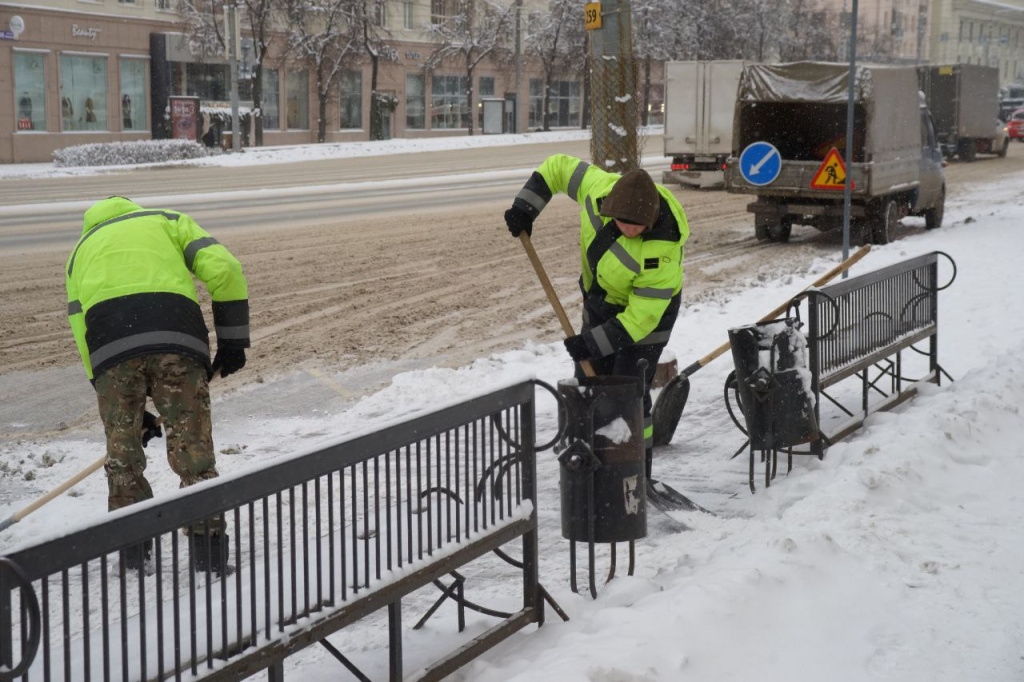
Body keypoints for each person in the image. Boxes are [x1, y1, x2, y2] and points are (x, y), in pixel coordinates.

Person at [65, 196, 250, 574]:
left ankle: (134, 556)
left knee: (123, 459)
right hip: (177, 341)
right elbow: (225, 267)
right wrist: (232, 341)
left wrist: (110, 392)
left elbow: (80, 328)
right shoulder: (167, 220)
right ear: (132, 209)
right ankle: (209, 556)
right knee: (194, 451)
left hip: (110, 354)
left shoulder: (80, 251)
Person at [504, 155, 689, 492]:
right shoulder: (599, 189)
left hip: (649, 317)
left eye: (636, 226)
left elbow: (641, 318)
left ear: (650, 220)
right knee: (587, 384)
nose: (629, 229)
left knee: (628, 390)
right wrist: (526, 207)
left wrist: (590, 343)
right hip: (601, 300)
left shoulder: (662, 248)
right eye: (622, 222)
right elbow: (556, 168)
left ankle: (636, 473)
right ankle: (588, 465)